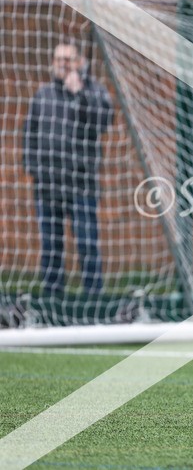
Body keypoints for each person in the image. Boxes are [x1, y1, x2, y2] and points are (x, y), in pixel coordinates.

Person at [23, 42, 113, 312]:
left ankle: (94, 301)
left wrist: (80, 94)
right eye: (58, 58)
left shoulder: (94, 91)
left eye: (68, 59)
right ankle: (52, 301)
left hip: (81, 186)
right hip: (48, 187)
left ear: (80, 62)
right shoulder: (43, 95)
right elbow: (29, 137)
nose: (63, 63)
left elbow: (102, 122)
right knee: (51, 247)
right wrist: (36, 171)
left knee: (87, 243)